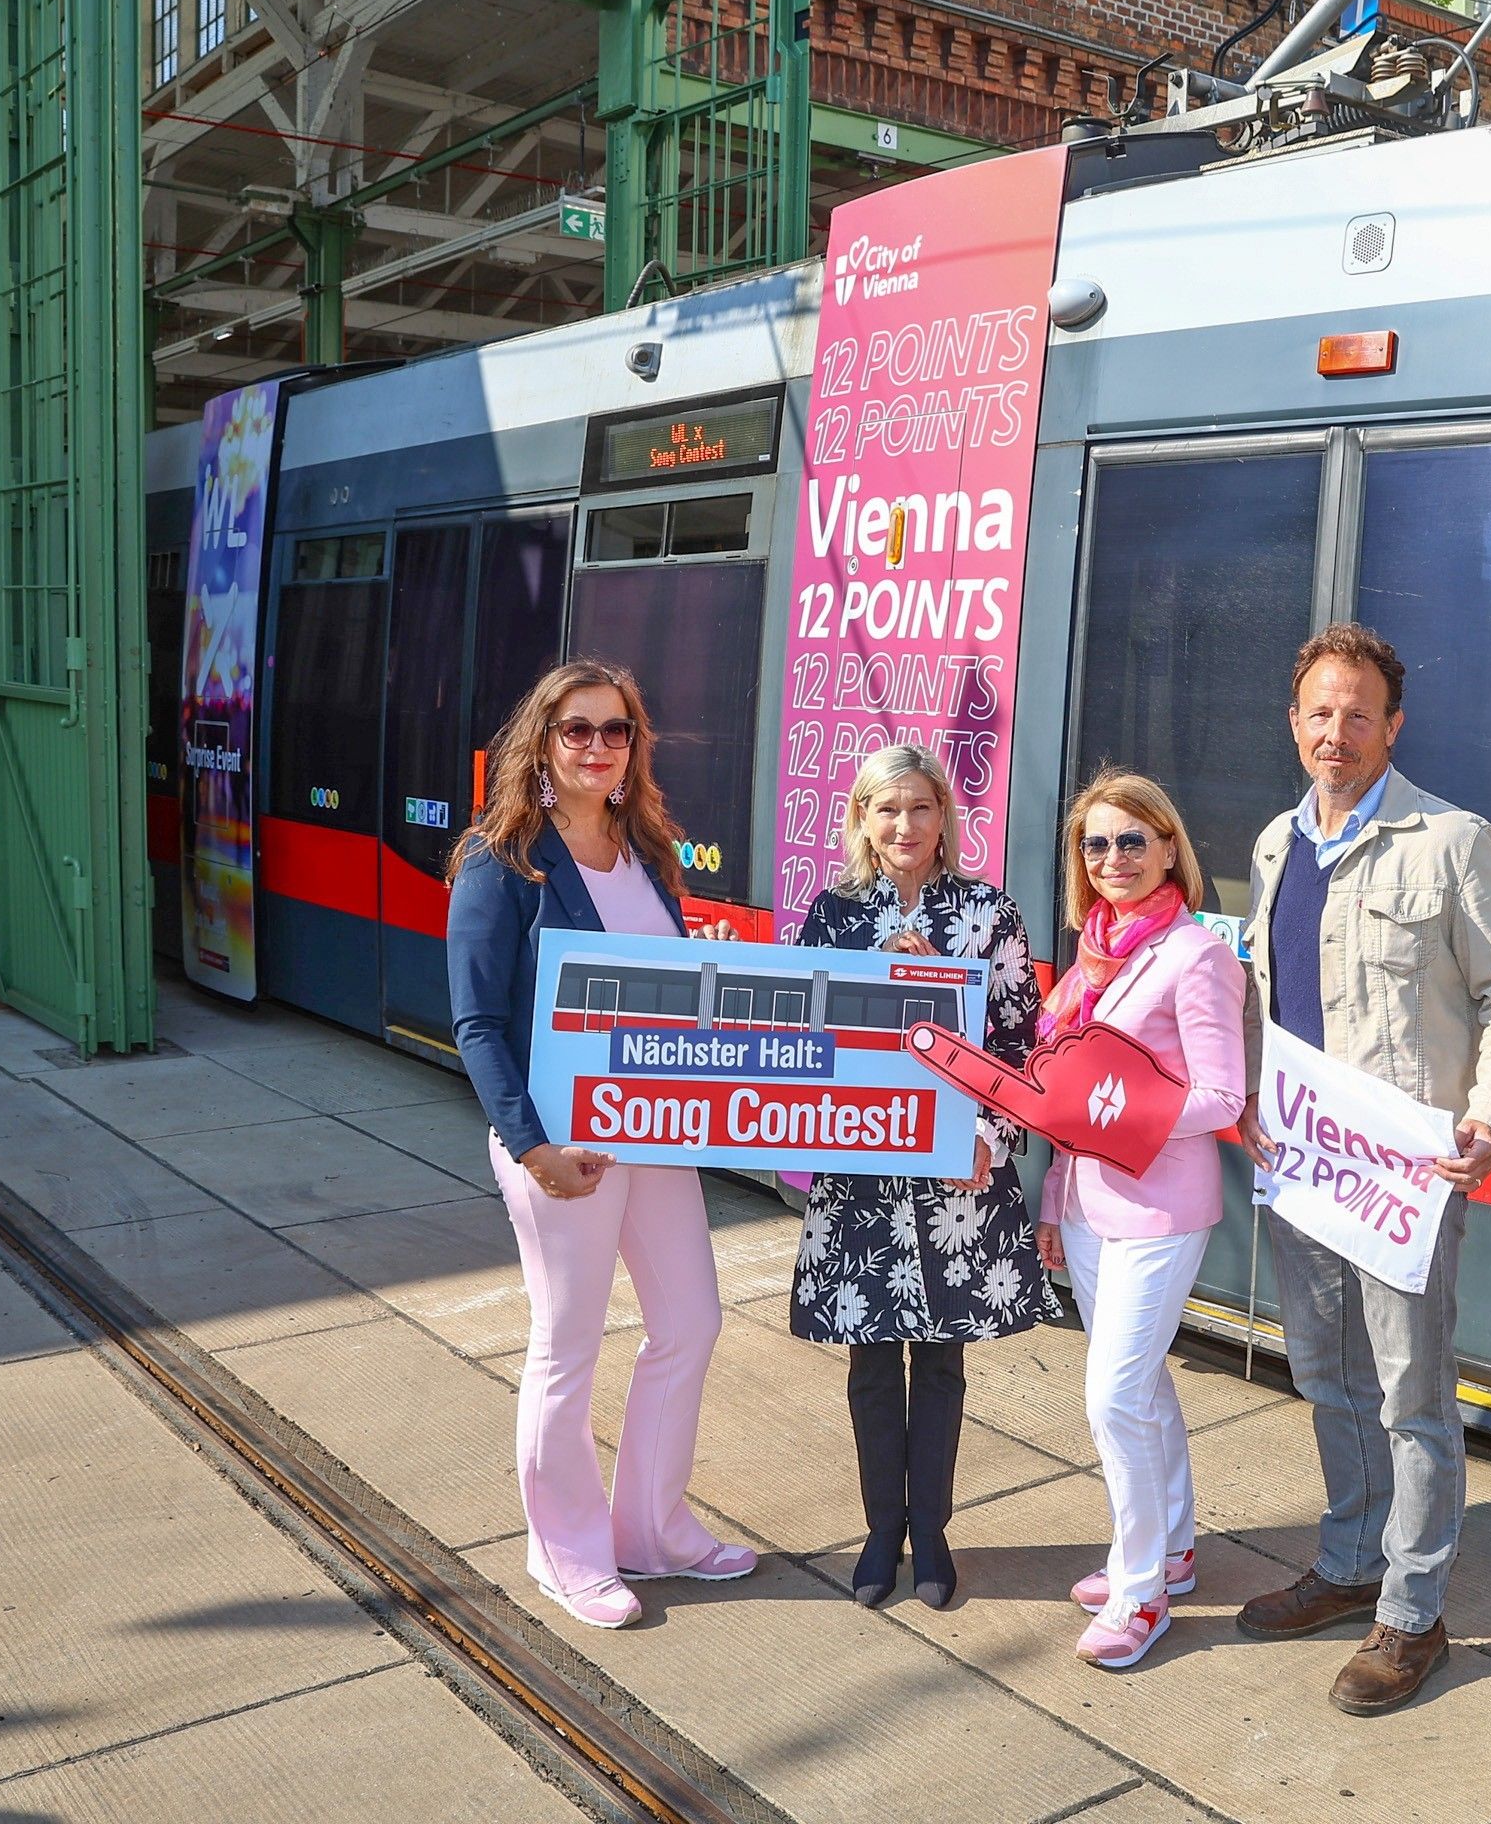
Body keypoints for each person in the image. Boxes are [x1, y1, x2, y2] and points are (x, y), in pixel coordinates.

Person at [1236, 622, 1491, 1715]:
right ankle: (1350, 1557)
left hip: (1403, 1179)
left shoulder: (1452, 841)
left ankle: (1412, 1613)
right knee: (1328, 1378)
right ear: (1296, 721)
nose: (1337, 730)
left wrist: (1490, 1114)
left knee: (1415, 1396)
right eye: (1320, 710)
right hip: (1303, 1168)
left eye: (1358, 712)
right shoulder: (1278, 843)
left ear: (1393, 725)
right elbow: (1265, 997)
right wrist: (1245, 1096)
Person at [446, 658, 759, 1631]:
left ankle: (653, 1527)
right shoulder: (502, 861)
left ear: (634, 745)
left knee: (691, 1322)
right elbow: (478, 1023)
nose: (596, 745)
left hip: (655, 1133)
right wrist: (532, 1143)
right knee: (568, 1344)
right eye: (576, 728)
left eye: (614, 729)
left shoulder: (650, 853)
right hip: (563, 1147)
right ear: (542, 742)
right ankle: (567, 1551)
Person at [790, 744, 1052, 1611]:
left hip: (956, 1188)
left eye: (921, 808)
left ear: (946, 818)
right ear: (863, 819)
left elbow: (1023, 1044)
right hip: (864, 1175)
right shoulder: (832, 917)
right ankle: (879, 1532)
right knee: (871, 1362)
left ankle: (932, 1533)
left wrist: (987, 1134)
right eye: (886, 810)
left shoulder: (988, 915)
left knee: (940, 1363)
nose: (905, 827)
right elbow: (803, 1044)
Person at [1030, 771, 1246, 1671]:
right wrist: (1051, 1200)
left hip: (1162, 1205)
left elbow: (1224, 1094)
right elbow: (1058, 1097)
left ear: (1168, 848)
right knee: (1145, 1385)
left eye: (1131, 840)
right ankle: (1176, 1548)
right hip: (1086, 1203)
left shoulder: (1195, 955)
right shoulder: (1094, 959)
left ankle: (1140, 1592)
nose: (1112, 858)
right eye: (1095, 843)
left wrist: (1127, 1116)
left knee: (1114, 1394)